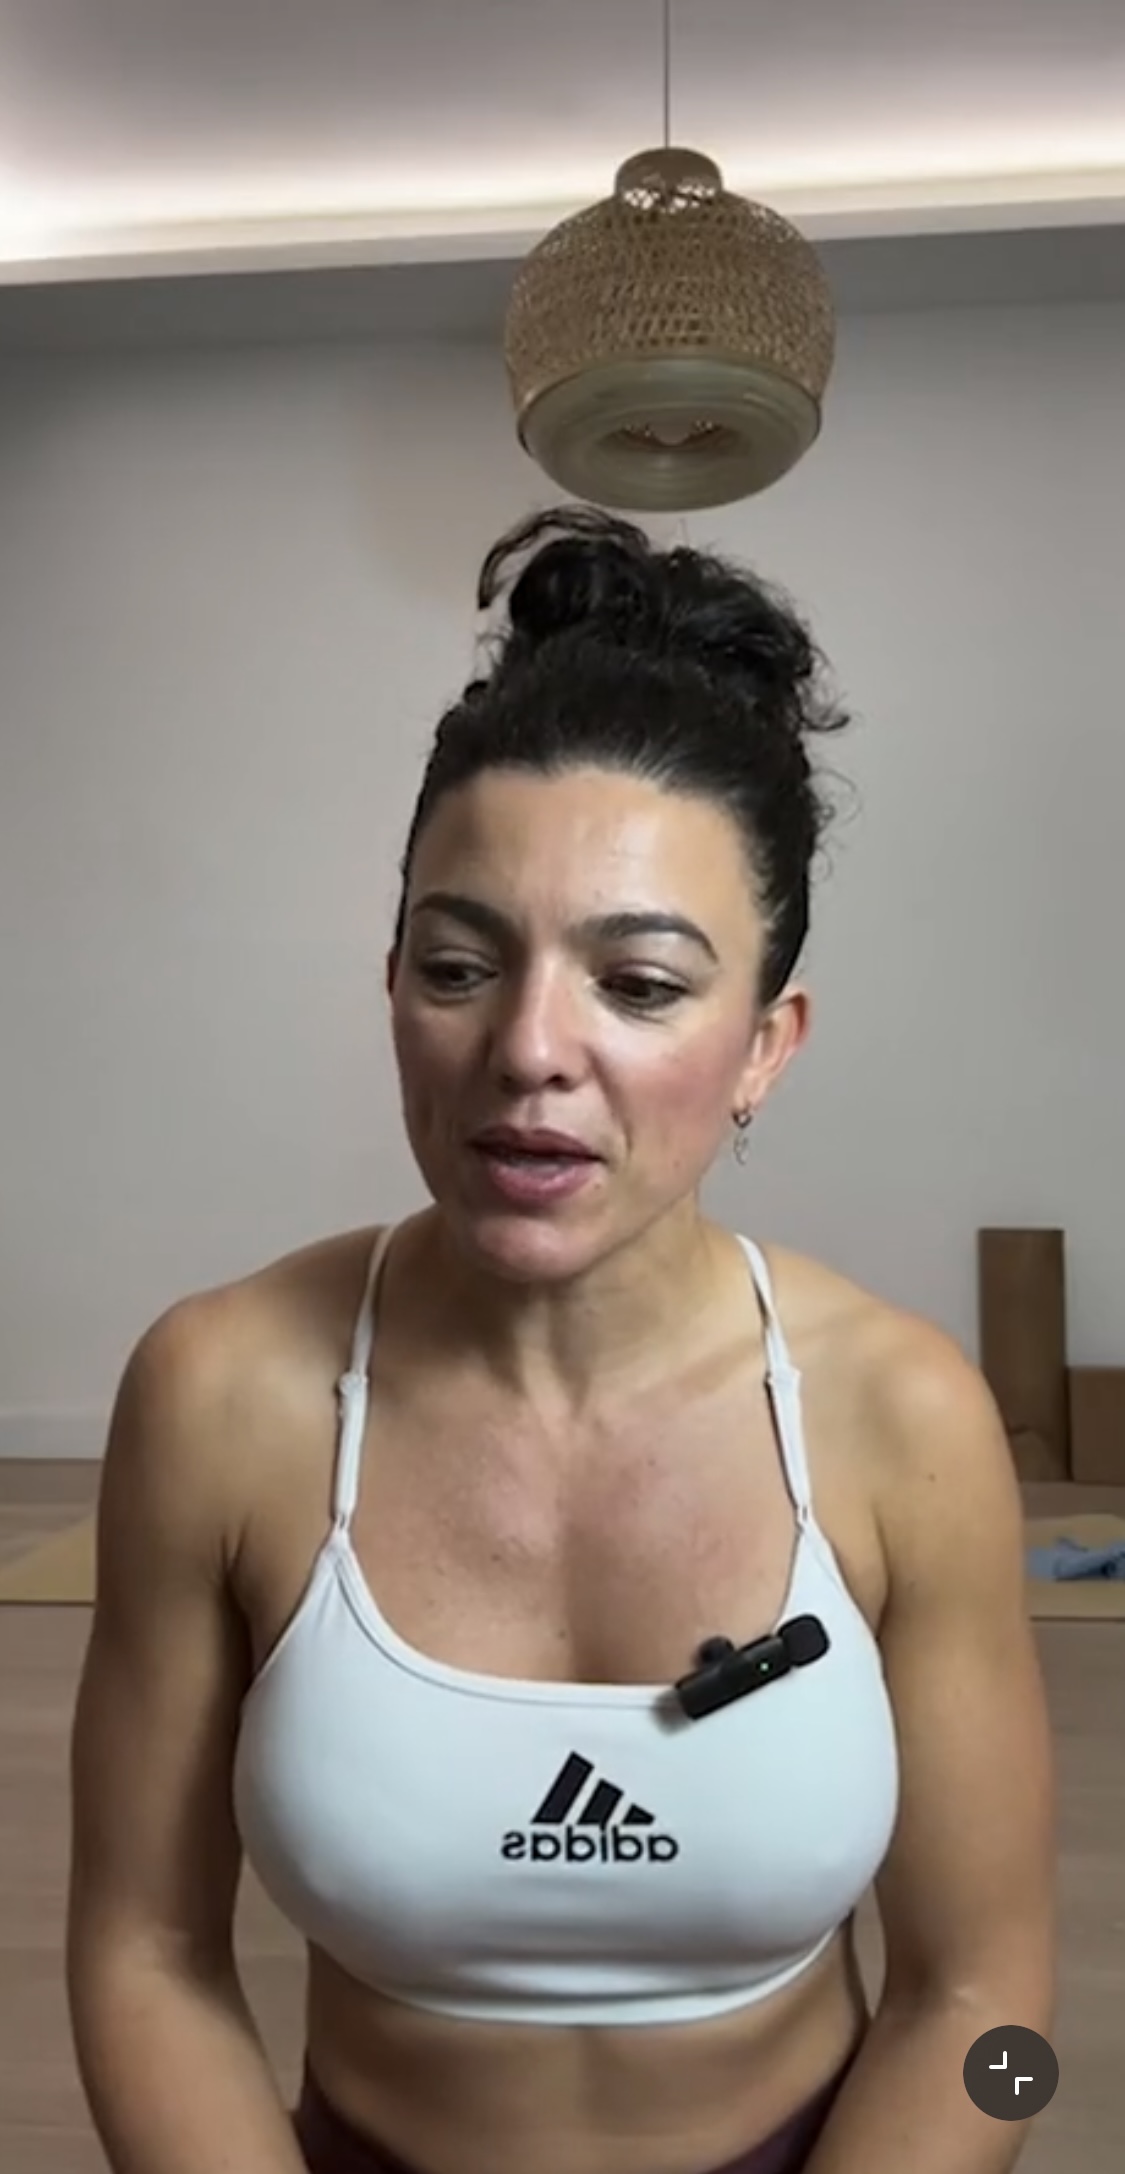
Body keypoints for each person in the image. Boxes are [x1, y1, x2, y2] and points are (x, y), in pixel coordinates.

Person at [67, 505, 1055, 2174]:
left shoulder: (903, 1418)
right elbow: (143, 1953)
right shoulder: (222, 1396)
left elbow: (995, 2007)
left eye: (641, 984)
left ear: (766, 1044)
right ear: (393, 984)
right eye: (460, 964)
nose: (529, 1047)